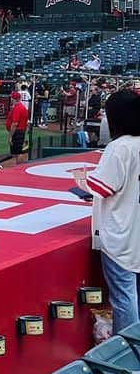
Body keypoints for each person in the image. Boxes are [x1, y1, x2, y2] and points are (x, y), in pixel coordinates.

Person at [80, 89, 140, 332]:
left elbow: (101, 187)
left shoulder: (120, 147)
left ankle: (128, 356)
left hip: (122, 234)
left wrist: (82, 182)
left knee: (124, 296)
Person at [4, 90, 28, 162]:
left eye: (12, 98)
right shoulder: (22, 107)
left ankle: (19, 168)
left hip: (17, 132)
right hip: (21, 131)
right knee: (17, 152)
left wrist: (10, 136)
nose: (11, 99)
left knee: (18, 152)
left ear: (14, 99)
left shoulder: (17, 108)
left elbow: (15, 123)